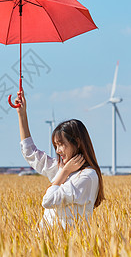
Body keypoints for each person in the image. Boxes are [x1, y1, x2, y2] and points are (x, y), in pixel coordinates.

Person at [14, 91, 105, 229]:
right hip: (46, 244)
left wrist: (63, 173)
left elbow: (48, 200)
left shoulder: (87, 176)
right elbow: (30, 153)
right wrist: (22, 115)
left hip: (68, 246)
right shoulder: (63, 167)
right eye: (55, 145)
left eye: (61, 144)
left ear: (77, 142)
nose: (57, 151)